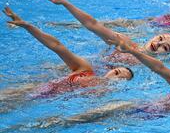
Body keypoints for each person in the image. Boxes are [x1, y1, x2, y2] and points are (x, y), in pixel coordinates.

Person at [42, 39, 170, 125]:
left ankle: (58, 125)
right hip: (144, 107)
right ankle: (59, 122)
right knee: (100, 114)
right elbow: (159, 68)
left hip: (152, 121)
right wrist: (134, 52)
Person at [1, 7, 133, 106]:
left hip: (40, 103)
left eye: (121, 79)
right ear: (110, 70)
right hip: (33, 90)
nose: (117, 77)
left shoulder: (101, 95)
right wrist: (27, 26)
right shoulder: (85, 69)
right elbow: (57, 46)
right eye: (117, 72)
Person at [39, 0, 170, 66]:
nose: (159, 44)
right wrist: (66, 3)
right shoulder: (124, 42)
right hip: (88, 66)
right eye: (160, 38)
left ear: (166, 56)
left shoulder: (154, 66)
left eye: (165, 47)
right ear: (153, 36)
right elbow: (92, 24)